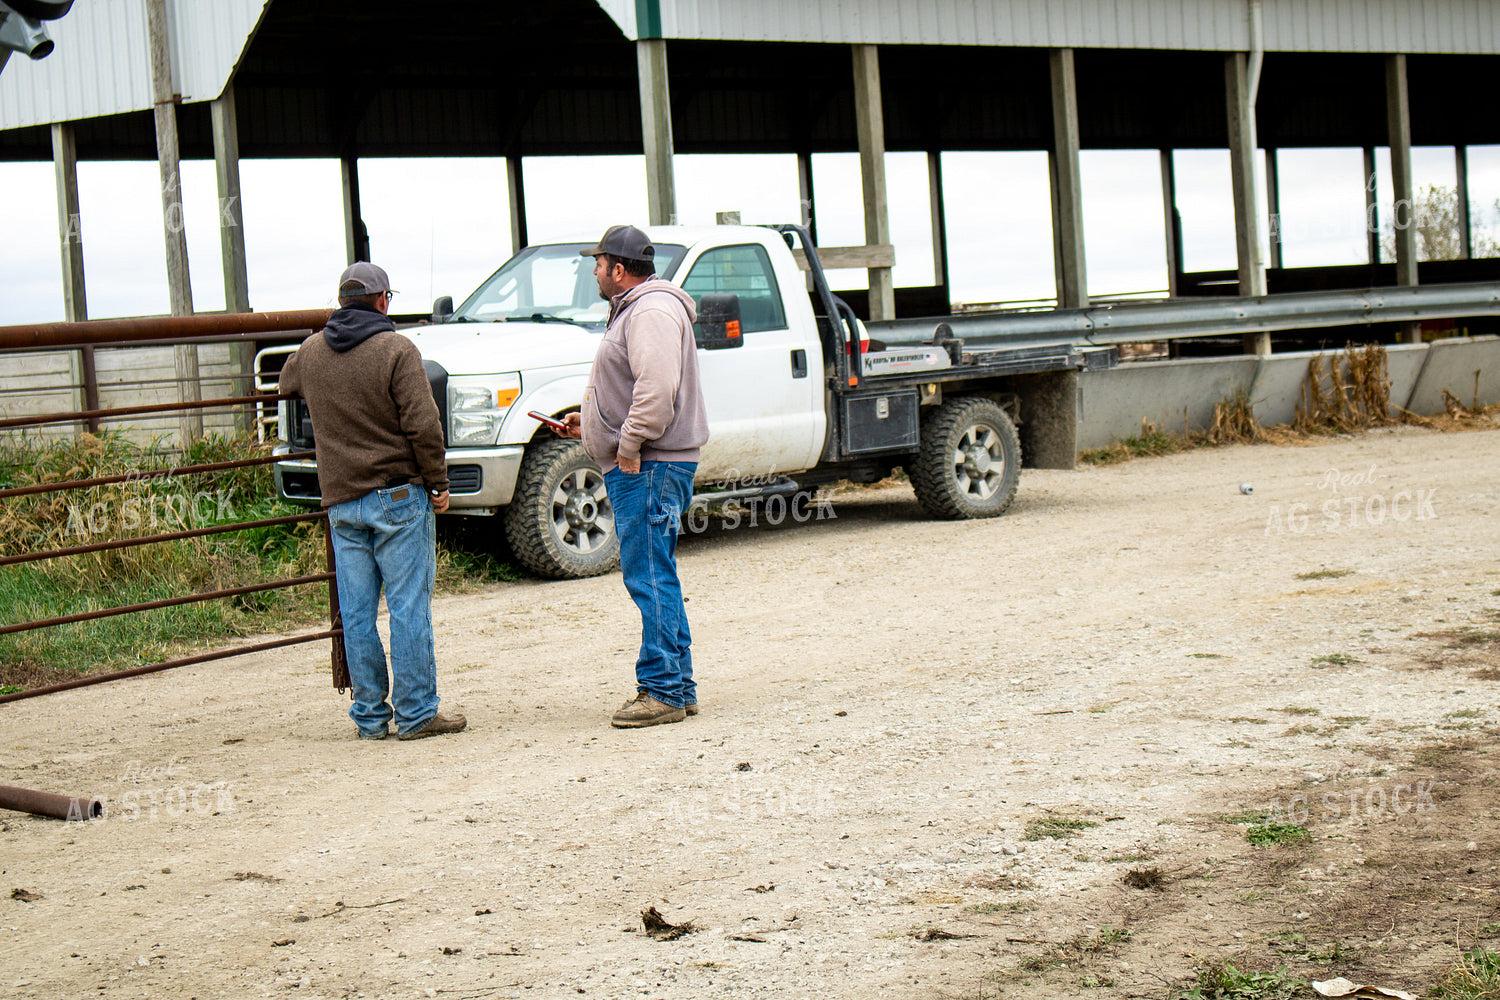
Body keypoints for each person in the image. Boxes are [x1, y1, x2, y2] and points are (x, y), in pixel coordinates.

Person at [279, 262, 467, 741]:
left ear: (341, 304)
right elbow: (424, 426)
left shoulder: (311, 351)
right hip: (398, 496)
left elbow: (285, 383)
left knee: (358, 612)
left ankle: (369, 716)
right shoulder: (397, 349)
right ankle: (417, 713)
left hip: (342, 502)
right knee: (407, 606)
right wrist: (439, 482)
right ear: (384, 301)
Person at [563, 225, 709, 728]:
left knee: (647, 574)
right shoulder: (642, 309)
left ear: (618, 269)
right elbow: (636, 387)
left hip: (649, 464)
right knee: (657, 572)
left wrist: (627, 445)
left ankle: (662, 690)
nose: (595, 272)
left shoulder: (647, 310)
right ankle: (678, 685)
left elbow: (658, 387)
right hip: (654, 461)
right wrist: (595, 422)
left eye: (598, 263)